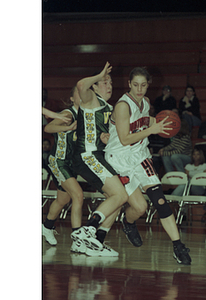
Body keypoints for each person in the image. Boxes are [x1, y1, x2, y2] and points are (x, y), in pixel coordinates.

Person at [105, 67, 192, 265]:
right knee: (141, 207)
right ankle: (128, 223)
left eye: (143, 85)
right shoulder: (122, 106)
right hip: (120, 160)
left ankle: (178, 246)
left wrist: (165, 123)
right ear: (129, 84)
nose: (139, 89)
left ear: (148, 85)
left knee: (159, 200)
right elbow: (125, 139)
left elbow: (148, 121)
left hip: (141, 157)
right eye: (135, 84)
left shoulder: (145, 103)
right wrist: (152, 129)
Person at [71, 62, 129, 256]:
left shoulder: (108, 107)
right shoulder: (91, 100)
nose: (109, 85)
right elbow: (81, 86)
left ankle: (95, 242)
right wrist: (98, 75)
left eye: (110, 82)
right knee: (121, 195)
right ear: (95, 86)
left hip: (96, 156)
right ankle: (88, 230)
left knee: (116, 201)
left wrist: (106, 138)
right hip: (87, 155)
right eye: (104, 82)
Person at [42, 85, 88, 254]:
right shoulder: (69, 114)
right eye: (78, 93)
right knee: (78, 195)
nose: (83, 95)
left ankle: (46, 227)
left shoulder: (85, 115)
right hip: (58, 161)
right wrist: (67, 128)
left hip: (70, 163)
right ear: (71, 98)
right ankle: (77, 239)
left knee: (63, 199)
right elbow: (49, 128)